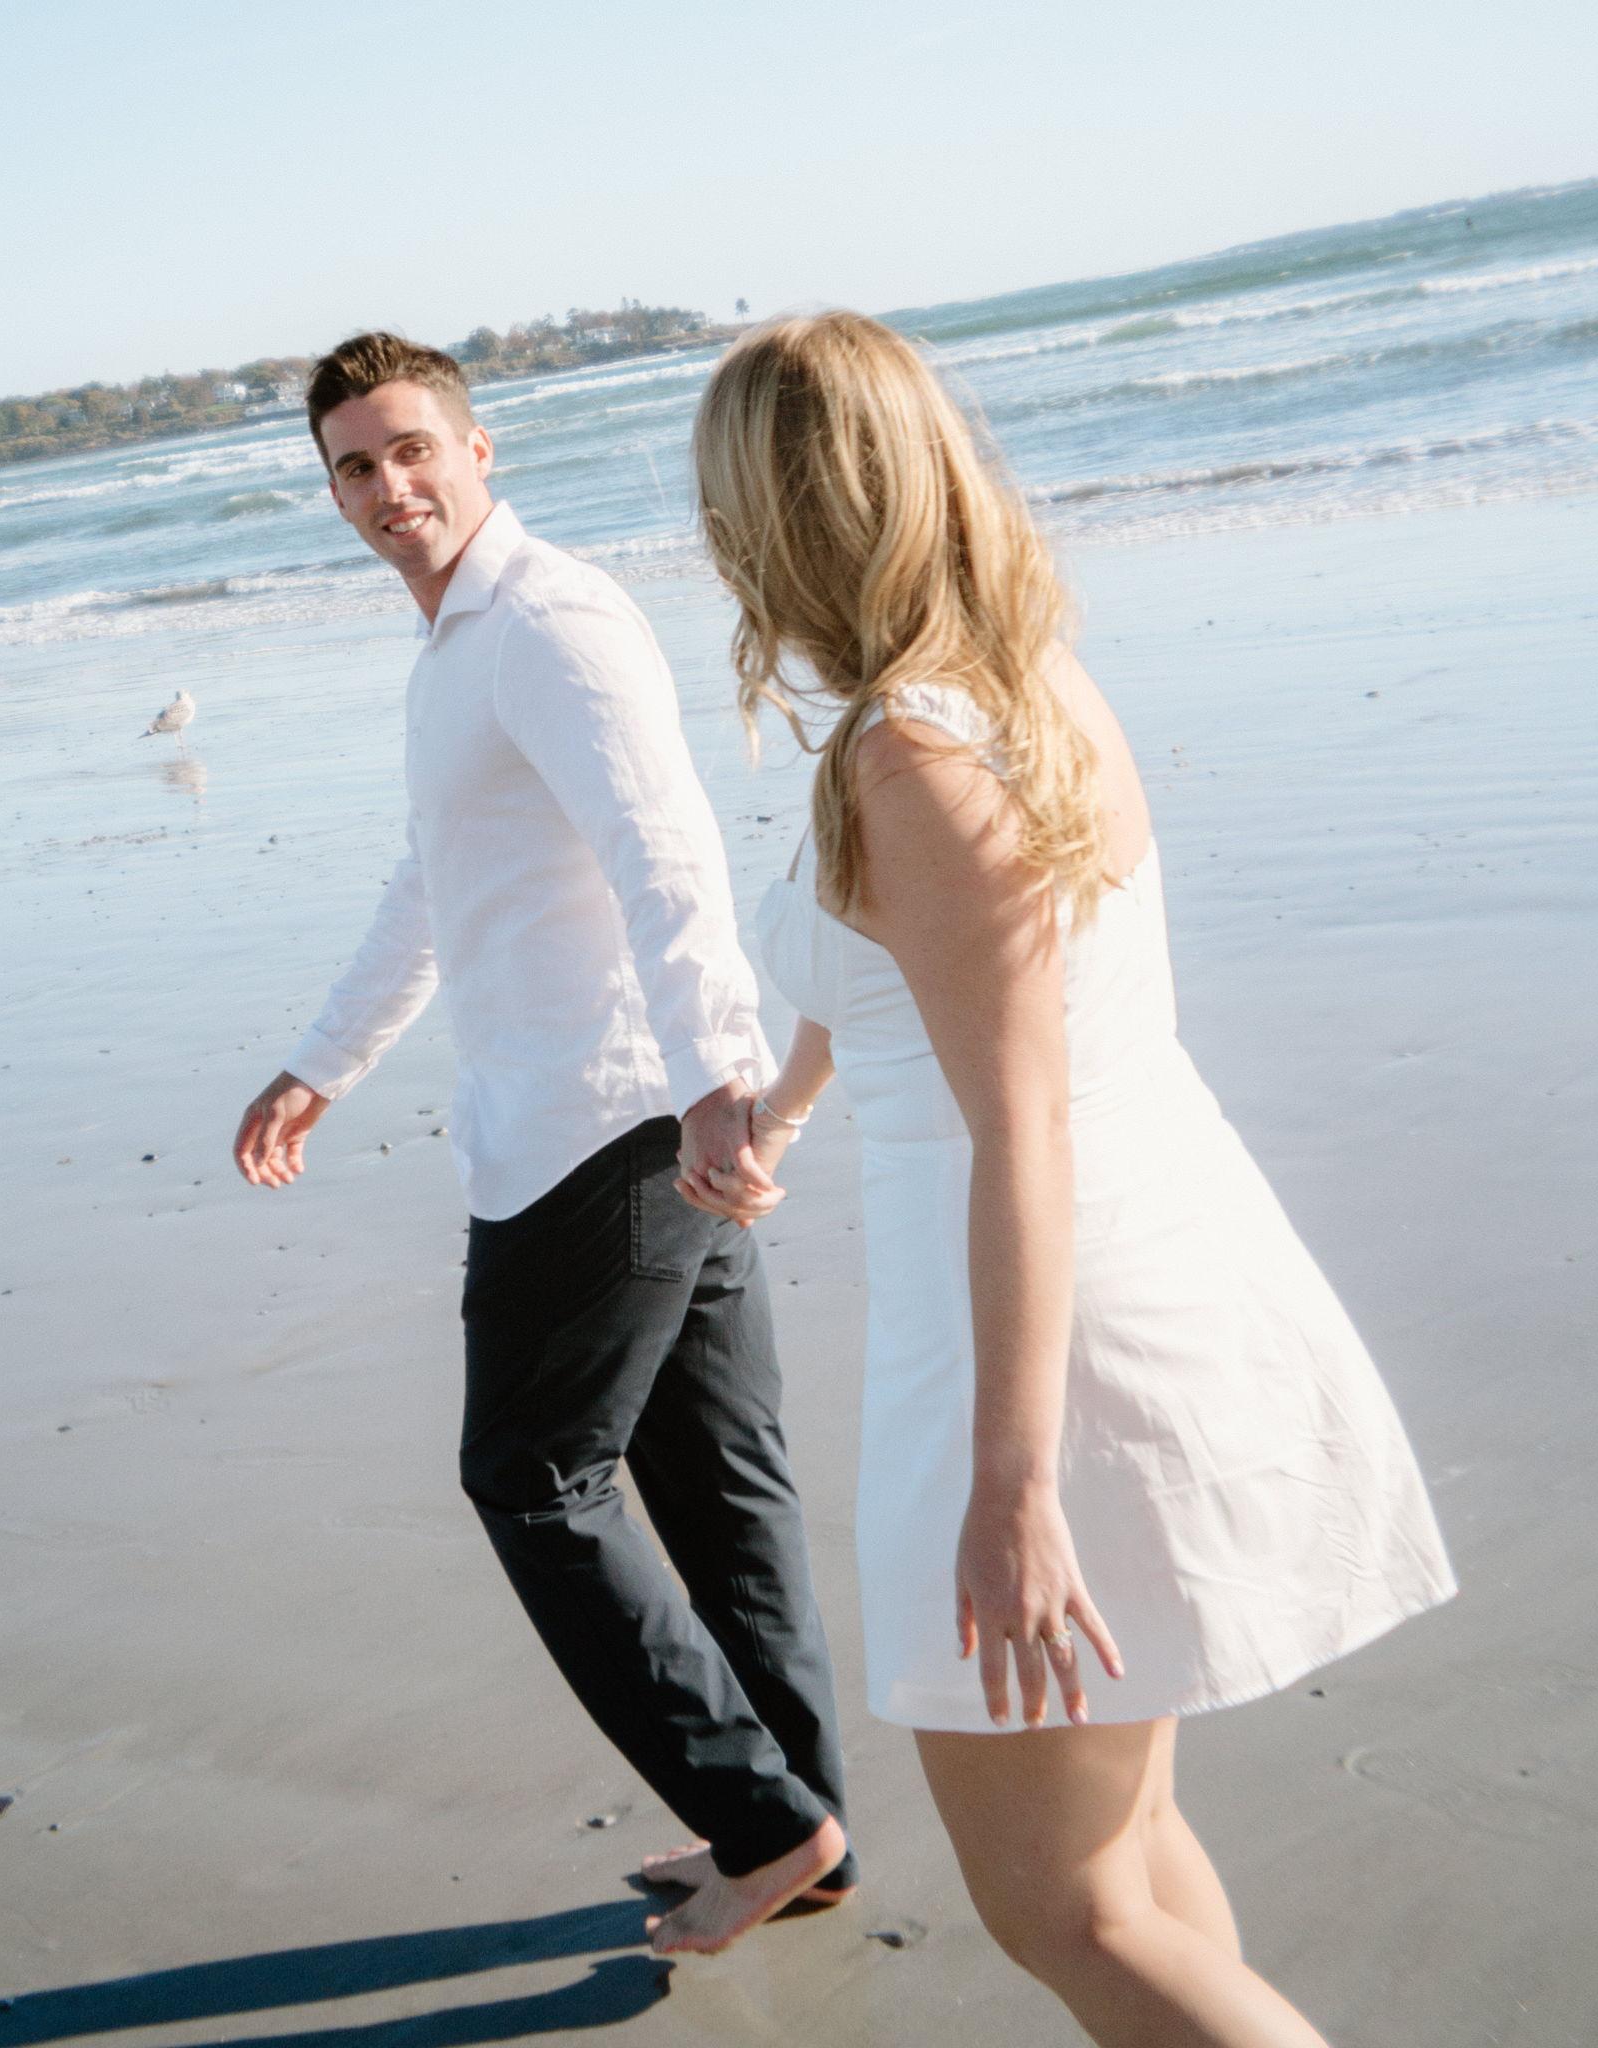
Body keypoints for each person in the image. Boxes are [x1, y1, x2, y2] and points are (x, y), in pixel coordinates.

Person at [684, 312, 1458, 2043]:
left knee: (1065, 1908)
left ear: (779, 517)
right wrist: (780, 1108)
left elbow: (1020, 1119)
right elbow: (914, 977)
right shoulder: (1015, 680)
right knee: (1131, 1856)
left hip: (1037, 1329)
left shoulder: (908, 753)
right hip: (1117, 1261)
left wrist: (1015, 1487)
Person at [231, 332, 854, 1956]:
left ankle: (767, 1824)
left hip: (612, 1127)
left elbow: (667, 852)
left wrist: (717, 1082)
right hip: (609, 1117)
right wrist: (322, 1064)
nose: (391, 487)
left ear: (479, 450)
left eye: (413, 450)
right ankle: (804, 1828)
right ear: (333, 494)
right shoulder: (455, 648)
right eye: (356, 468)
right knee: (718, 1491)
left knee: (531, 1478)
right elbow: (436, 878)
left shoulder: (549, 622)